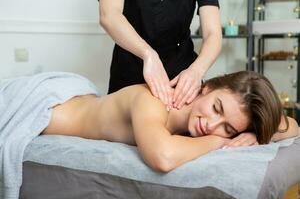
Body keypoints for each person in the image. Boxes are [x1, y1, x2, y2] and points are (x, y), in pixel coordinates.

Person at [42, 71, 299, 172]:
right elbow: (162, 158)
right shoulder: (152, 100)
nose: (211, 125)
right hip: (46, 110)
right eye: (216, 108)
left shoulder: (202, 121)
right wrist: (220, 139)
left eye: (228, 128)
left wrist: (254, 134)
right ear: (206, 88)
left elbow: (292, 126)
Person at [98, 0, 222, 110]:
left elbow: (213, 34)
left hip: (182, 76)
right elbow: (109, 15)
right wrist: (148, 54)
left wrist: (196, 71)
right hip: (130, 69)